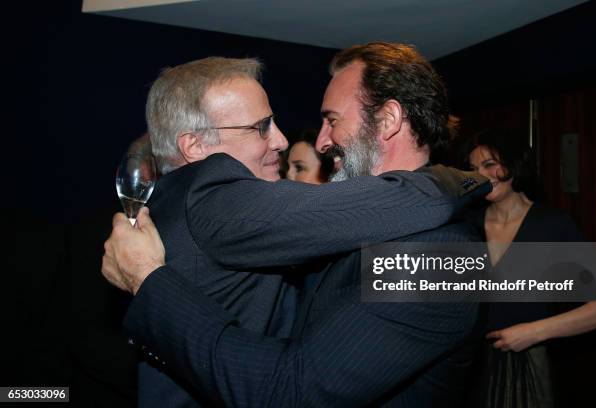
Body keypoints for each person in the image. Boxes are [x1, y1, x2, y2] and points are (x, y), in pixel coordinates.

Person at [103, 43, 491, 406]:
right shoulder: (231, 200)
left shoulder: (439, 258)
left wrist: (145, 279)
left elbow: (289, 389)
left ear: (387, 120)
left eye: (332, 120)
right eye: (260, 127)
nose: (320, 142)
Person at [464, 128, 596, 408]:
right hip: (468, 369)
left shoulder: (552, 225)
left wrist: (533, 332)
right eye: (472, 169)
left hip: (528, 368)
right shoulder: (465, 225)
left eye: (489, 165)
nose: (480, 176)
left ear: (514, 165)